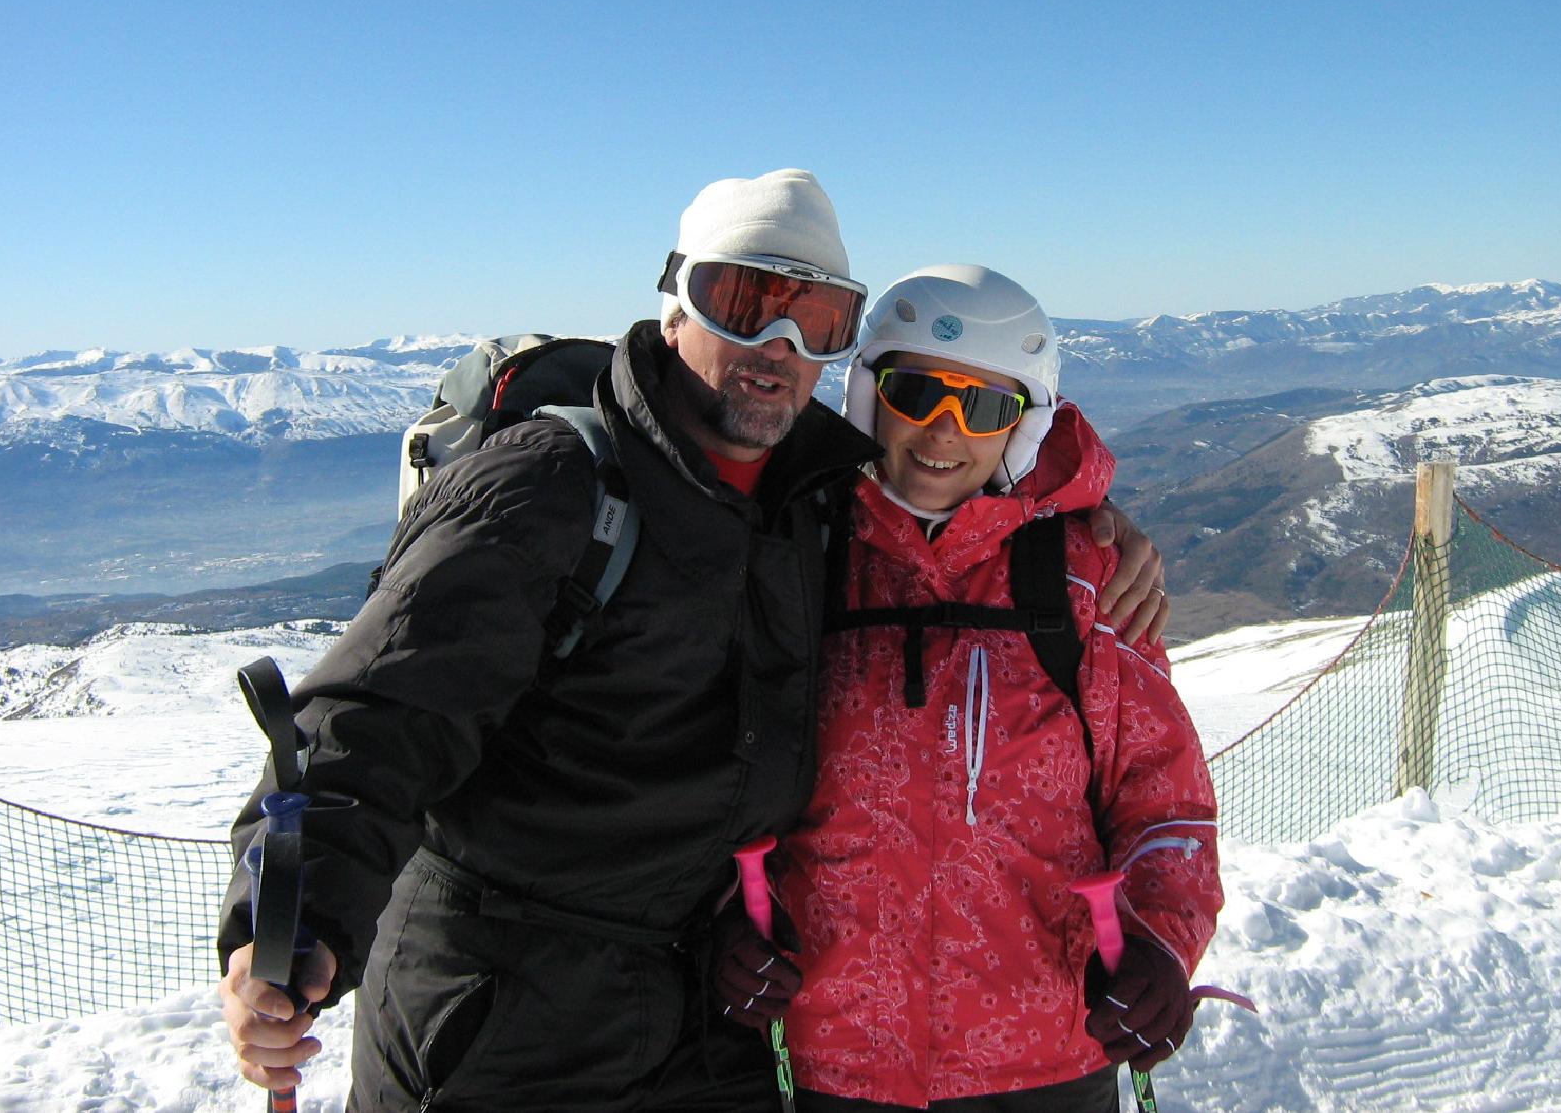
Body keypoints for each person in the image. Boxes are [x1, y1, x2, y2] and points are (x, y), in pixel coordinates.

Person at [217, 174, 1167, 1111]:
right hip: (504, 1020)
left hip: (711, 1026)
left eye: (818, 319)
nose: (780, 344)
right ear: (675, 305)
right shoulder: (550, 486)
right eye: (743, 302)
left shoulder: (814, 501)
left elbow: (969, 515)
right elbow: (379, 717)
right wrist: (291, 926)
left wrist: (1081, 519)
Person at [714, 265, 1221, 1111]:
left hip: (1047, 1058)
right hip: (838, 1054)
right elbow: (717, 763)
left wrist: (1161, 946)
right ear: (870, 397)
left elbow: (1165, 800)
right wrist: (724, 916)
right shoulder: (800, 555)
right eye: (916, 392)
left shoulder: (1080, 582)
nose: (945, 429)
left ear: (1022, 428)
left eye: (984, 406)